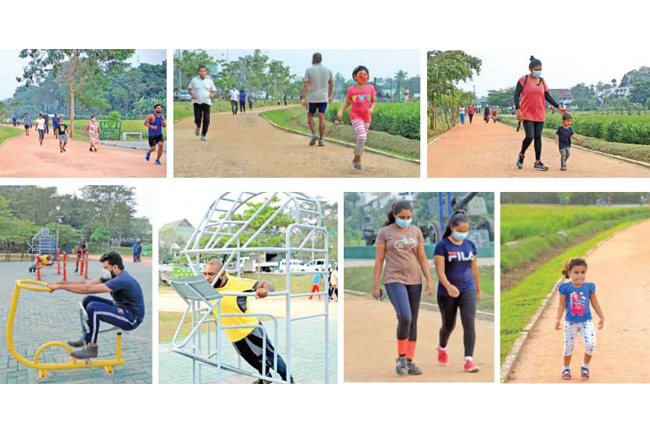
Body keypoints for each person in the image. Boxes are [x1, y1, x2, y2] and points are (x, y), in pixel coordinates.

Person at [202, 259, 294, 383]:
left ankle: (289, 381)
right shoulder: (207, 286)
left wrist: (264, 290)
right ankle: (266, 378)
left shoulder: (237, 283)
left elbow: (268, 284)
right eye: (205, 274)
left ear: (222, 274)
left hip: (250, 329)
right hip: (233, 333)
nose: (207, 278)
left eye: (211, 274)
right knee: (252, 360)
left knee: (270, 357)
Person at [373, 201, 435, 376]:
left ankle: (409, 361)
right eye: (402, 217)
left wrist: (429, 280)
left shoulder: (415, 231)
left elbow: (422, 257)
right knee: (405, 317)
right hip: (394, 279)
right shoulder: (385, 233)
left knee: (413, 321)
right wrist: (375, 285)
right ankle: (401, 357)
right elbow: (379, 260)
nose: (406, 220)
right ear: (394, 216)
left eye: (409, 217)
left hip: (415, 280)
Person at [47, 252, 145, 360]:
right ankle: (86, 338)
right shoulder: (111, 275)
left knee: (94, 308)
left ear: (115, 267)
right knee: (88, 299)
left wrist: (60, 287)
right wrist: (59, 283)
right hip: (121, 307)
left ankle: (92, 348)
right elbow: (87, 284)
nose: (104, 270)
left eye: (106, 267)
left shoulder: (121, 279)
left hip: (131, 318)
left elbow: (88, 289)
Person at [433, 210, 481, 373]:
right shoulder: (442, 246)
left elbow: (474, 271)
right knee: (448, 325)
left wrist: (478, 290)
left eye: (465, 231)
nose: (463, 234)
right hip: (447, 292)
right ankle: (442, 347)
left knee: (469, 322)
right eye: (460, 231)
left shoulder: (470, 245)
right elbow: (440, 272)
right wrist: (448, 286)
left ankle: (469, 360)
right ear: (452, 228)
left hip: (468, 288)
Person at [555, 258, 605, 380]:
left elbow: (594, 302)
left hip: (586, 321)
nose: (580, 275)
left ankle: (585, 366)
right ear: (569, 272)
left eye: (583, 272)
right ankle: (566, 368)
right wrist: (558, 319)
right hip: (570, 322)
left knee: (591, 343)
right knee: (569, 346)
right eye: (576, 272)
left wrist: (601, 316)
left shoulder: (589, 286)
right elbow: (561, 305)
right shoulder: (565, 287)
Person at [514, 56, 567, 171]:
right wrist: (518, 110)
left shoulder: (542, 81)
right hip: (526, 113)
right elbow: (516, 95)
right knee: (530, 136)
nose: (538, 71)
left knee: (538, 137)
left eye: (540, 69)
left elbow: (547, 96)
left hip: (539, 113)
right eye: (536, 69)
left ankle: (538, 162)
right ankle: (522, 154)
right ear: (530, 69)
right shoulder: (524, 80)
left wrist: (558, 107)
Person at [337, 66, 377, 171]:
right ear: (355, 76)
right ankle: (358, 160)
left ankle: (356, 157)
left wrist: (372, 108)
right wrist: (341, 110)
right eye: (360, 74)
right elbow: (347, 102)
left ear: (368, 77)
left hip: (367, 117)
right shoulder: (351, 90)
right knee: (362, 136)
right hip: (355, 116)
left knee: (362, 139)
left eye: (365, 74)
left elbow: (374, 101)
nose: (363, 76)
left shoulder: (370, 88)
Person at [301, 52, 333, 147]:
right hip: (323, 98)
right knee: (321, 117)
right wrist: (329, 96)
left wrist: (303, 98)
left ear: (313, 59)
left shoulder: (309, 70)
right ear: (321, 59)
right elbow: (331, 84)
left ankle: (314, 134)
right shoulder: (328, 70)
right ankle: (321, 140)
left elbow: (306, 85)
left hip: (312, 98)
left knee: (310, 115)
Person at [187, 65, 216, 141]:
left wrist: (212, 95)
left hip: (207, 102)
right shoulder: (194, 80)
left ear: (206, 72)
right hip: (197, 102)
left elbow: (213, 90)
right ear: (198, 72)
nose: (202, 73)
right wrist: (192, 94)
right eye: (201, 71)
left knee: (207, 119)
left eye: (204, 71)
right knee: (197, 118)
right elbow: (189, 89)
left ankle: (203, 135)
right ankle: (198, 125)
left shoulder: (210, 80)